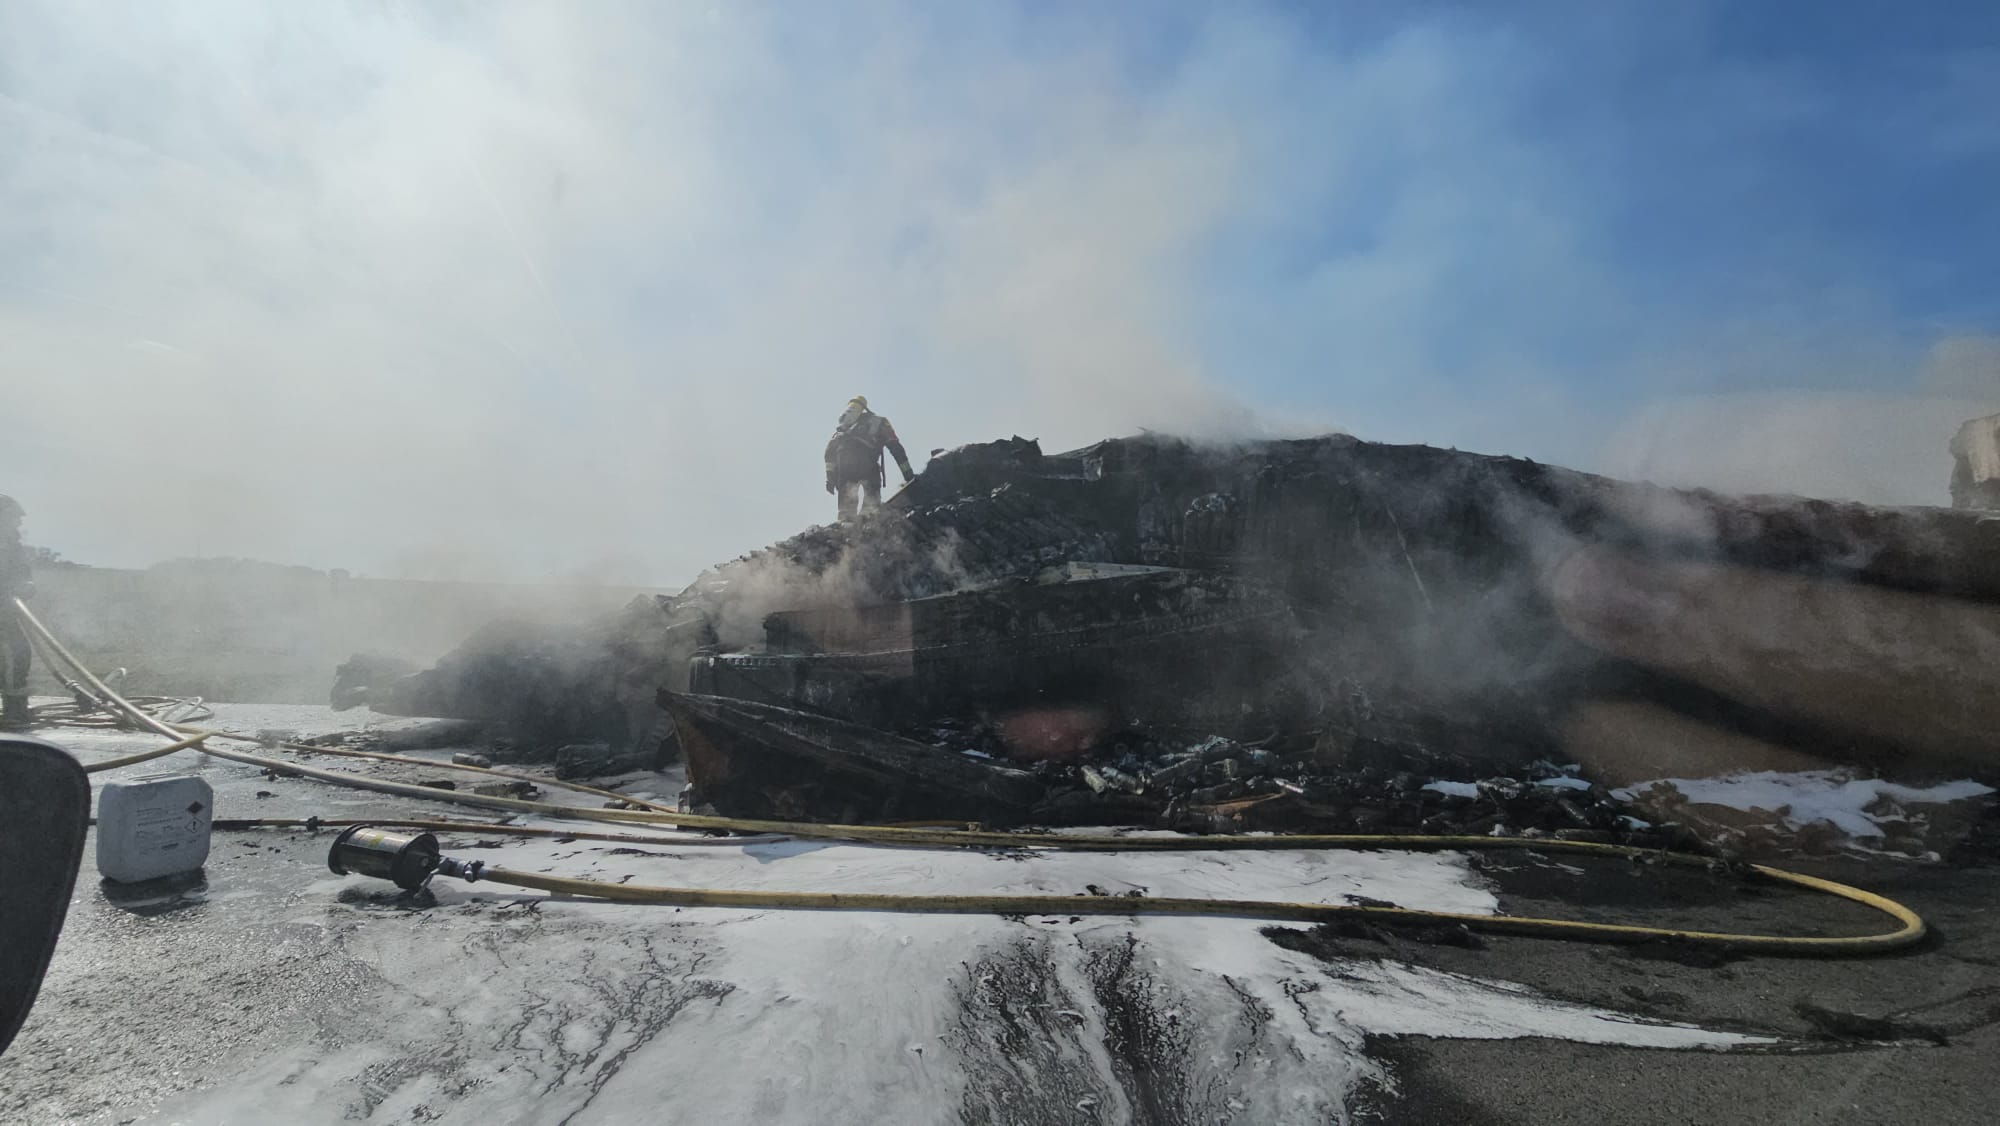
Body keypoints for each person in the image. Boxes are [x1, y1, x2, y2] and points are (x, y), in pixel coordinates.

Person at [824, 395, 915, 520]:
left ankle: (845, 530)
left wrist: (830, 477)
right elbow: (895, 447)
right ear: (865, 408)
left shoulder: (843, 429)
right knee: (871, 504)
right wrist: (908, 473)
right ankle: (869, 521)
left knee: (846, 510)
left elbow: (829, 453)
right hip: (867, 464)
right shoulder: (879, 421)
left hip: (844, 467)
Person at [0, 495, 33, 730]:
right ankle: (13, 707)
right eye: (13, 519)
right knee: (12, 652)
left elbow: (23, 573)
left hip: (7, 612)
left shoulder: (14, 546)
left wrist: (26, 585)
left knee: (17, 652)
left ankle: (15, 707)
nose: (18, 524)